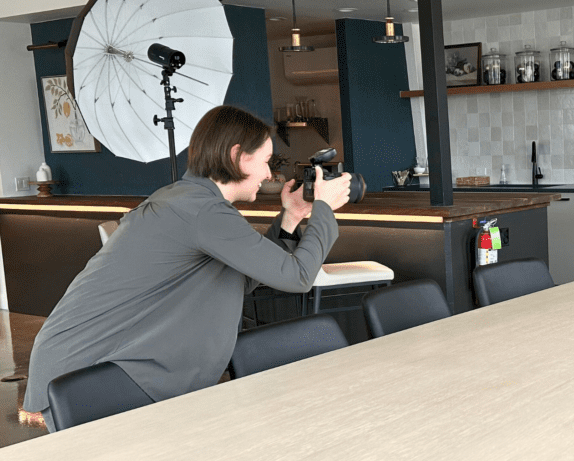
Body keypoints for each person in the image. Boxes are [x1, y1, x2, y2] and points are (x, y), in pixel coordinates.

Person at [23, 105, 352, 432]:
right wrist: (323, 207)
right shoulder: (202, 211)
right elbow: (297, 277)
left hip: (98, 363)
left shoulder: (192, 202)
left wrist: (292, 217)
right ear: (238, 155)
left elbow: (245, 277)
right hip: (91, 370)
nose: (269, 174)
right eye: (265, 161)